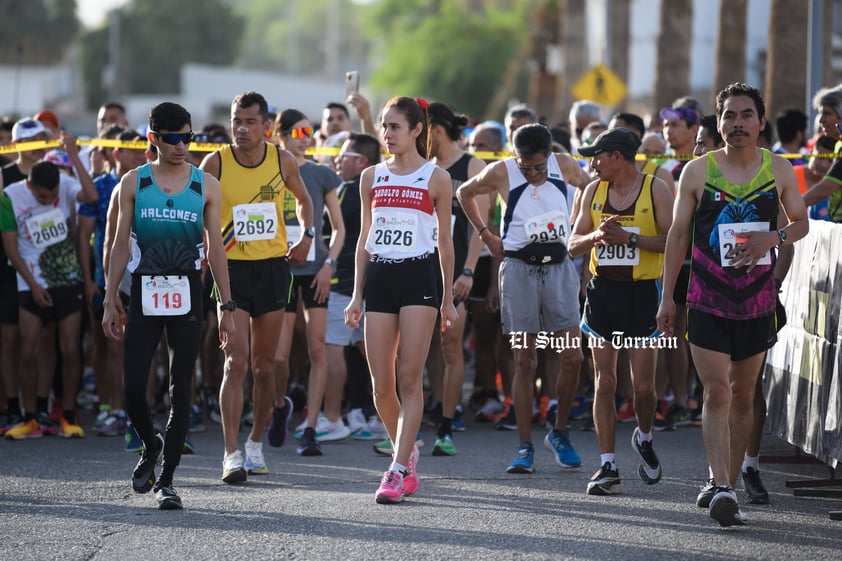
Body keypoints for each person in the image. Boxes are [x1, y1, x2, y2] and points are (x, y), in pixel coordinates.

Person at [657, 82, 808, 527]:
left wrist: (773, 237)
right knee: (717, 391)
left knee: (743, 395)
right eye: (729, 116)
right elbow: (678, 236)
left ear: (761, 122)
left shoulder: (778, 169)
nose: (737, 123)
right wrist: (668, 296)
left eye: (746, 115)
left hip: (756, 301)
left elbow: (800, 224)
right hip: (705, 296)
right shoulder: (698, 171)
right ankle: (722, 486)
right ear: (718, 122)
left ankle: (728, 482)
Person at [102, 101, 235, 509]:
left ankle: (168, 481)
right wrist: (110, 298)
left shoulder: (205, 185)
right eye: (174, 139)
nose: (182, 146)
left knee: (182, 391)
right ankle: (151, 442)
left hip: (187, 294)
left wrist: (226, 307)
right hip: (143, 290)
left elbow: (217, 251)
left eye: (187, 137)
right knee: (131, 389)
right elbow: (120, 244)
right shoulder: (133, 183)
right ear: (153, 139)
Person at [457, 123, 590, 474]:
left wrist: (580, 225)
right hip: (518, 268)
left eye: (538, 167)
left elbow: (592, 186)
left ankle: (559, 432)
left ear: (550, 155)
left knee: (573, 356)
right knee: (525, 361)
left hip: (559, 267)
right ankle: (524, 446)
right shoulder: (501, 170)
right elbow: (465, 193)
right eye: (525, 167)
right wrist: (487, 234)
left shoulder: (566, 165)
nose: (532, 174)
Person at [344, 96, 458, 504]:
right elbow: (363, 240)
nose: (387, 134)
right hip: (380, 277)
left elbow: (445, 244)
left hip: (419, 277)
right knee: (381, 386)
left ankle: (394, 470)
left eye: (395, 126)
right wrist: (356, 294)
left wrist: (447, 300)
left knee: (409, 378)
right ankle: (406, 454)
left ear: (416, 130)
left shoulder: (436, 178)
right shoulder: (371, 176)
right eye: (384, 126)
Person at [201, 91, 314, 483]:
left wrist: (306, 236)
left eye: (250, 122)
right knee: (236, 362)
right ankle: (230, 453)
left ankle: (254, 443)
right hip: (231, 269)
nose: (241, 129)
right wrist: (204, 246)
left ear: (266, 126)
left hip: (272, 270)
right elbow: (199, 211)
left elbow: (304, 201)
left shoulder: (282, 159)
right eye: (236, 120)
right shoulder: (214, 162)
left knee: (265, 369)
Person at [567, 128, 674, 495]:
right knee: (605, 381)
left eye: (597, 156)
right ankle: (607, 465)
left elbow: (672, 242)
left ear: (618, 157)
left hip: (643, 292)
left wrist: (628, 238)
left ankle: (643, 436)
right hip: (603, 293)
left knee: (643, 387)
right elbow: (571, 245)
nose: (592, 163)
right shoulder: (592, 192)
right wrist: (597, 237)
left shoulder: (655, 189)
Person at [1, 128, 97, 440]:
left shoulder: (64, 184)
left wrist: (73, 157)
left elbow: (91, 196)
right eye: (44, 197)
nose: (50, 200)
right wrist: (33, 284)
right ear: (31, 187)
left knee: (69, 349)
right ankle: (31, 416)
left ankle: (67, 412)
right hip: (30, 281)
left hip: (66, 278)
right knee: (28, 351)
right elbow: (11, 249)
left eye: (53, 196)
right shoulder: (11, 196)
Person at [272, 108, 345, 455]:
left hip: (315, 270)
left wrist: (329, 264)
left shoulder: (321, 173)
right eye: (299, 133)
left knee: (318, 350)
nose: (307, 139)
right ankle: (277, 406)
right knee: (279, 356)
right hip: (279, 270)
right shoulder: (270, 170)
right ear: (280, 135)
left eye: (310, 132)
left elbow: (341, 229)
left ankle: (312, 427)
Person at [426, 101, 487, 457]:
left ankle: (447, 425)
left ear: (435, 130)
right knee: (418, 348)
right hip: (423, 269)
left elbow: (481, 227)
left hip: (459, 271)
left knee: (451, 346)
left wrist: (469, 271)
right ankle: (417, 418)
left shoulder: (472, 165)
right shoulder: (425, 168)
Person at [78, 130, 148, 437]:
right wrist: (99, 282)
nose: (137, 154)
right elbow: (92, 238)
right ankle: (112, 408)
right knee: (109, 346)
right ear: (114, 153)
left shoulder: (152, 183)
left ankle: (138, 412)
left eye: (141, 149)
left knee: (148, 350)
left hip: (147, 278)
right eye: (130, 150)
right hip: (108, 279)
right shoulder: (103, 186)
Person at [803, 84, 842, 222]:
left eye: (827, 113)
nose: (820, 120)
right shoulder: (839, 145)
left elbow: (828, 186)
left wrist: (795, 206)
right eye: (820, 113)